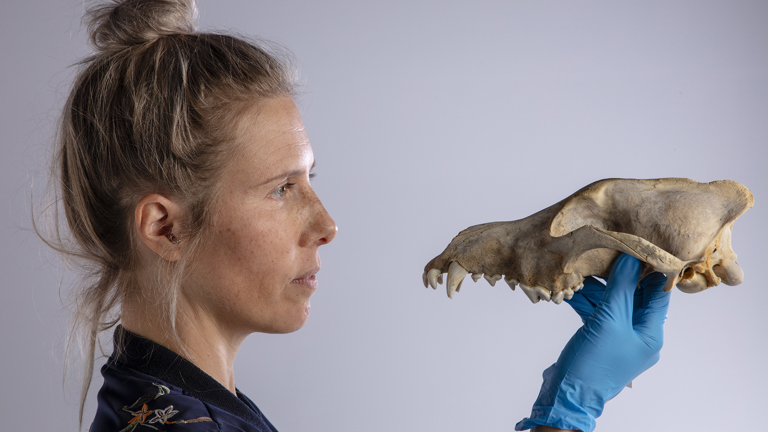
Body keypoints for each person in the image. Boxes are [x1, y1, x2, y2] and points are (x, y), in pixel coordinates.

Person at [43, 1, 671, 431]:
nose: (326, 224)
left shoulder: (176, 402)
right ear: (165, 228)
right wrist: (566, 413)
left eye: (310, 178)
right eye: (281, 189)